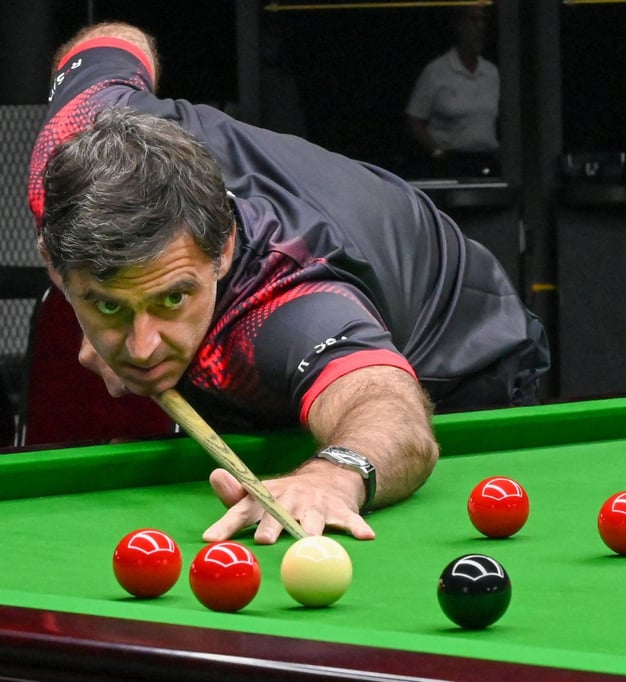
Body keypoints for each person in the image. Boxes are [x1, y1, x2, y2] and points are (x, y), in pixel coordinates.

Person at [27, 22, 549, 545]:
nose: (142, 348)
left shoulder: (284, 298)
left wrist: (334, 475)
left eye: (171, 297)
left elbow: (390, 411)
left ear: (223, 249)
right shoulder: (75, 133)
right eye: (111, 305)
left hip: (454, 358)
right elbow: (116, 38)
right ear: (55, 262)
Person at [405, 5, 500, 177]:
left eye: (483, 20)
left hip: (486, 161)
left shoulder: (491, 72)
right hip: (451, 162)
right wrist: (437, 152)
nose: (480, 27)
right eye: (473, 20)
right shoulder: (437, 71)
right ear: (459, 26)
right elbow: (414, 119)